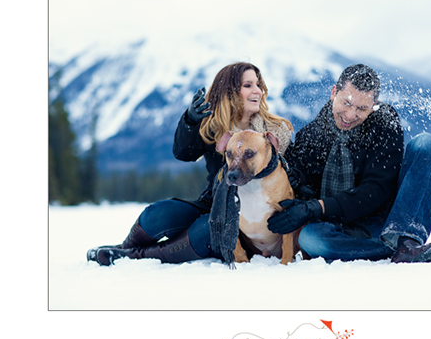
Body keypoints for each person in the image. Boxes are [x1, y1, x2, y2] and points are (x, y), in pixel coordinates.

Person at [87, 62, 293, 266]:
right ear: (230, 91)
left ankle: (134, 257)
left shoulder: (275, 132)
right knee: (157, 215)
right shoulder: (213, 127)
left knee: (206, 231)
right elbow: (183, 153)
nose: (257, 90)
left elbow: (291, 177)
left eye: (258, 85)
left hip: (247, 226)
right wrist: (191, 121)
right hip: (212, 204)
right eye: (248, 85)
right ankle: (123, 249)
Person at [267, 63, 431, 263]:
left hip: (387, 220)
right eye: (346, 103)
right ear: (334, 93)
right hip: (338, 227)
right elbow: (298, 187)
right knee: (310, 240)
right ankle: (393, 250)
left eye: (361, 108)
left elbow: (376, 191)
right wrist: (300, 190)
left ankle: (406, 241)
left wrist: (318, 207)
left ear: (373, 106)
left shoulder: (384, 123)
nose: (350, 115)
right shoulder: (309, 136)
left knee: (425, 144)